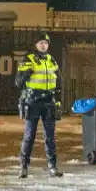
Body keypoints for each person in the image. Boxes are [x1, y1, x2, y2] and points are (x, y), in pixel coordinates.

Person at [16, 32, 63, 178]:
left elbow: (59, 82)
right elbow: (18, 82)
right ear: (35, 45)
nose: (43, 45)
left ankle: (52, 167)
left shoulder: (52, 60)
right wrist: (26, 74)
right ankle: (24, 166)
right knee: (29, 135)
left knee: (50, 137)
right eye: (40, 42)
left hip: (49, 101)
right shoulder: (28, 60)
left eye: (46, 43)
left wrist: (58, 100)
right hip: (33, 101)